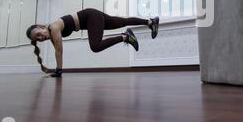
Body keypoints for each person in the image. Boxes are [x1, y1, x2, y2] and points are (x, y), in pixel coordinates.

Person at [26, 8, 159, 77]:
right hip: (92, 17)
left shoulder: (54, 28)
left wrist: (59, 71)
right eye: (37, 39)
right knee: (122, 21)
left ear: (40, 26)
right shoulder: (52, 32)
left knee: (95, 46)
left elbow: (59, 51)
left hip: (91, 17)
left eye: (38, 34)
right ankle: (150, 22)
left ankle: (125, 37)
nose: (40, 38)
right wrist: (56, 70)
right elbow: (57, 51)